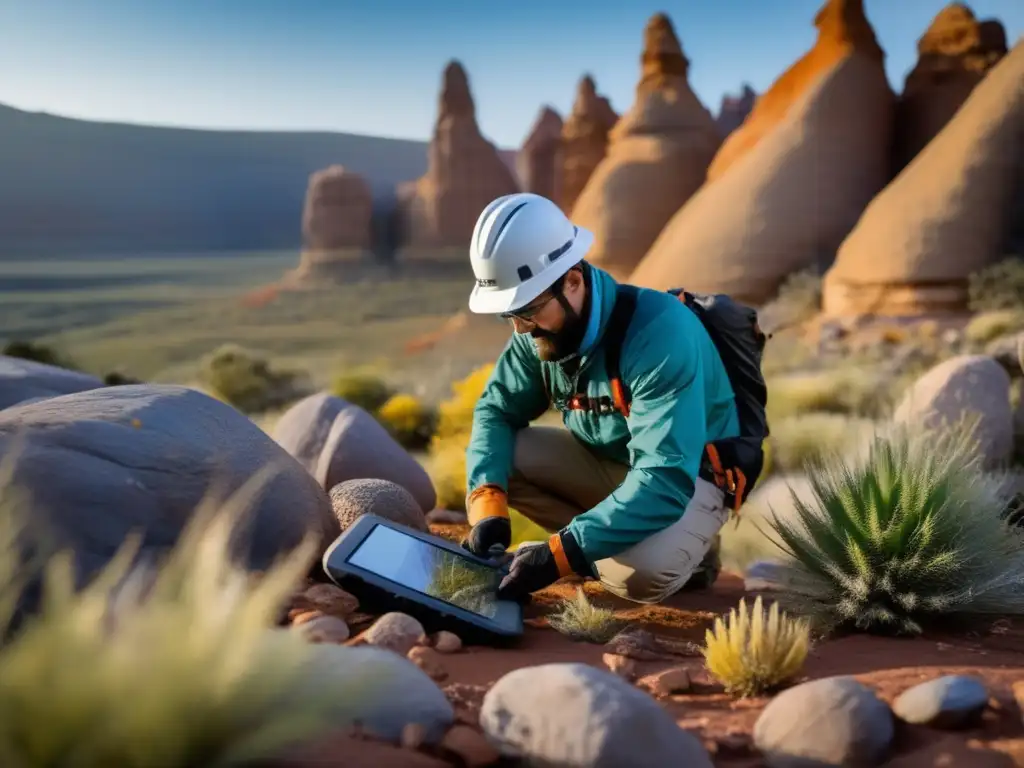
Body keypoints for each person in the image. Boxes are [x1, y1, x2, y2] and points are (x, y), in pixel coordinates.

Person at [460, 192, 757, 605]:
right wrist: (487, 506)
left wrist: (556, 557)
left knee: (641, 579)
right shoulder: (539, 330)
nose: (520, 330)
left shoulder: (660, 332)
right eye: (509, 314)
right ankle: (620, 539)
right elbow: (496, 410)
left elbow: (664, 477)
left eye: (527, 310)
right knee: (504, 457)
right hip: (620, 464)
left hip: (688, 476)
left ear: (573, 281)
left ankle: (688, 549)